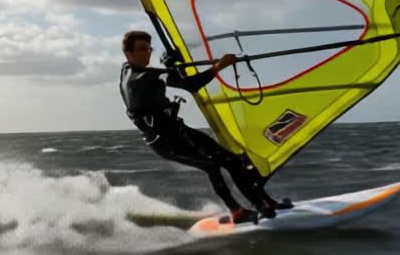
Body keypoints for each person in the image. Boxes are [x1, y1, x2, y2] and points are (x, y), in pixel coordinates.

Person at [119, 30, 291, 224]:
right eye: (142, 49)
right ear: (128, 53)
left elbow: (162, 79)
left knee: (229, 161)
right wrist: (219, 67)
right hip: (167, 142)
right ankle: (250, 209)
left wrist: (170, 66)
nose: (147, 53)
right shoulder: (142, 78)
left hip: (177, 132)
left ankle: (258, 205)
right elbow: (190, 84)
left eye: (149, 48)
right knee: (219, 164)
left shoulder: (127, 71)